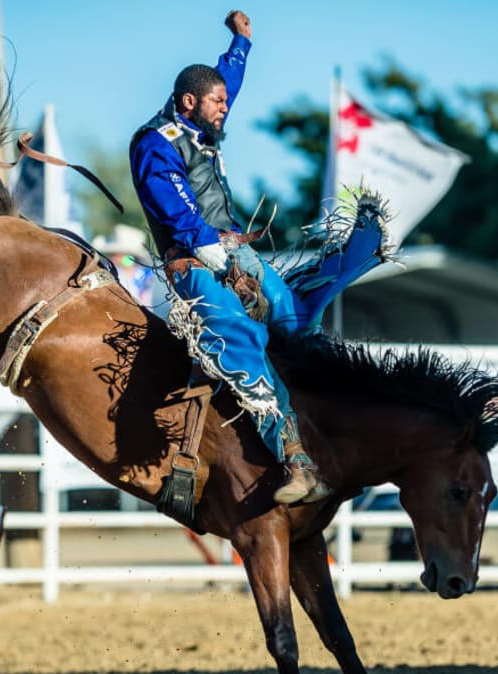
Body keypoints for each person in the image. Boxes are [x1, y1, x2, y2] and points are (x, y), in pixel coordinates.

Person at [129, 10, 333, 505]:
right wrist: (224, 262)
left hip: (237, 252)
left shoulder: (201, 118)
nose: (227, 107)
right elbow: (179, 218)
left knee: (291, 313)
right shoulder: (156, 146)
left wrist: (240, 42)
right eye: (218, 102)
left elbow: (228, 81)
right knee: (238, 338)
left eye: (225, 100)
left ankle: (323, 413)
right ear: (189, 102)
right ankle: (291, 454)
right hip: (194, 264)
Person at [92, 223, 156, 307]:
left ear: (129, 257)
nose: (112, 257)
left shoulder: (144, 275)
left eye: (116, 254)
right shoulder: (106, 271)